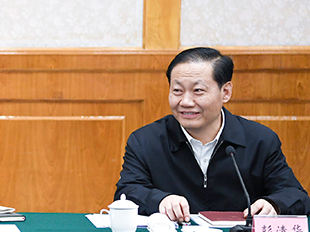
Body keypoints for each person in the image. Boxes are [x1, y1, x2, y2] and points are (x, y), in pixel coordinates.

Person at [115, 47, 309, 222]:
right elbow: (127, 192)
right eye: (177, 91)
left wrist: (274, 205)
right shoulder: (145, 141)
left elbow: (295, 195)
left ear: (226, 92)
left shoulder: (260, 140)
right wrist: (161, 200)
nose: (186, 102)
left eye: (198, 91)